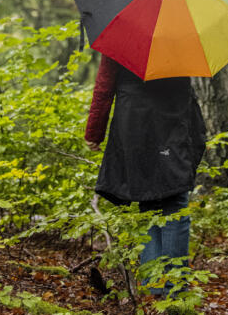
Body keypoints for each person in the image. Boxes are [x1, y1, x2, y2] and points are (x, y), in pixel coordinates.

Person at [84, 54, 206, 298]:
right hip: (171, 120)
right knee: (174, 204)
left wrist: (95, 130)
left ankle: (154, 292)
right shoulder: (184, 28)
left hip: (135, 122)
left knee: (150, 204)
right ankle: (173, 294)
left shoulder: (122, 30)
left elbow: (104, 86)